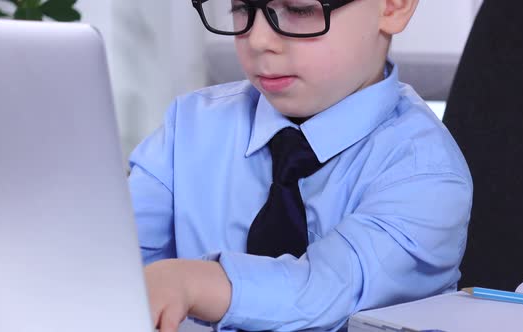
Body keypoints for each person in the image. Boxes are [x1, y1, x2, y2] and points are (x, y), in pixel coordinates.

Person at [128, 0, 473, 331]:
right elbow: (108, 254)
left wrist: (192, 282)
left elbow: (329, 289)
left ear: (393, 6)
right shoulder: (188, 129)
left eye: (299, 9)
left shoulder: (425, 173)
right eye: (242, 8)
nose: (259, 41)